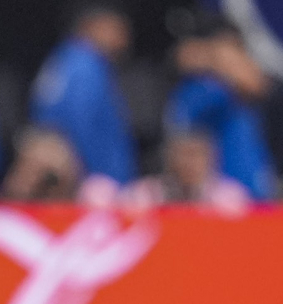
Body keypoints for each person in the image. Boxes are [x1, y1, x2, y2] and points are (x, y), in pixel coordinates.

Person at [166, 13, 276, 202]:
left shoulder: (229, 89)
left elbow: (258, 84)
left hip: (251, 190)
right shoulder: (199, 89)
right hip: (215, 198)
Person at [30, 0, 137, 184]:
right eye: (117, 30)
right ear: (91, 26)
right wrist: (97, 177)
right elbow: (80, 125)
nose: (123, 40)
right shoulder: (86, 65)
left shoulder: (63, 58)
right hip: (92, 180)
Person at [108, 130, 251, 215]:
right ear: (169, 158)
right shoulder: (147, 194)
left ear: (211, 159)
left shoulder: (229, 198)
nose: (189, 163)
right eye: (183, 154)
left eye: (196, 154)